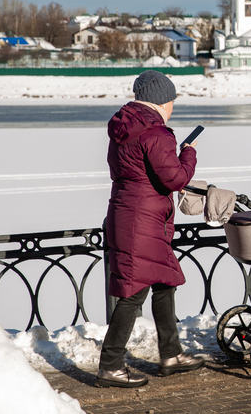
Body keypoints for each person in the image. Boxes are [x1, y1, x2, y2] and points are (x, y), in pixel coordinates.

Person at [97, 70, 204, 388]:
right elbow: (175, 179)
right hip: (142, 219)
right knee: (133, 292)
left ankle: (170, 354)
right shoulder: (156, 133)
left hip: (130, 212)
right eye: (171, 101)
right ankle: (110, 365)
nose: (172, 107)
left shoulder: (124, 126)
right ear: (160, 100)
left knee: (164, 281)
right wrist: (189, 151)